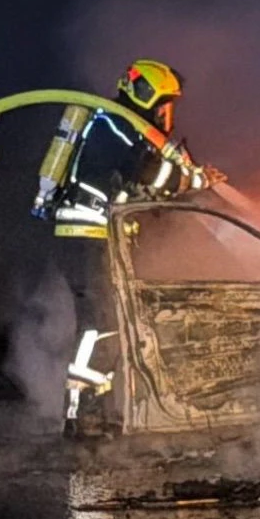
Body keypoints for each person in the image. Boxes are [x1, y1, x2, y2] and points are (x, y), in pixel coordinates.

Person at [44, 59, 201, 437]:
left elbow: (141, 183)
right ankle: (81, 412)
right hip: (87, 233)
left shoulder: (121, 129)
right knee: (99, 322)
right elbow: (149, 172)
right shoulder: (112, 124)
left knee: (108, 321)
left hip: (94, 234)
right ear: (147, 96)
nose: (168, 113)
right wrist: (192, 179)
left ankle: (103, 409)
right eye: (164, 103)